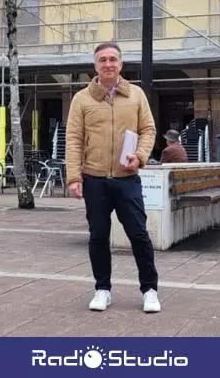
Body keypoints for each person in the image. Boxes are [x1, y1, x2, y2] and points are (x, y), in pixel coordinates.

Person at [65, 42, 161, 313]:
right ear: (95, 66)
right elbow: (73, 140)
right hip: (94, 178)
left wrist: (140, 156)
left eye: (113, 59)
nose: (108, 64)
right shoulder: (82, 99)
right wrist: (74, 176)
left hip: (126, 177)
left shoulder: (136, 95)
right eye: (102, 60)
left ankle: (150, 290)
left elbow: (148, 130)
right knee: (98, 235)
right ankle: (102, 289)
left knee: (139, 234)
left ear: (121, 64)